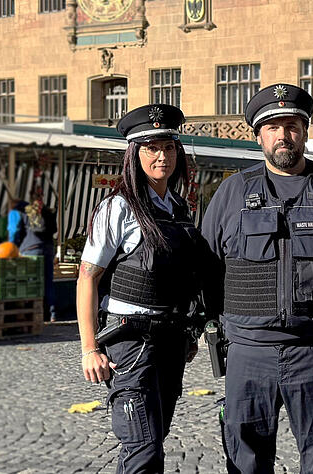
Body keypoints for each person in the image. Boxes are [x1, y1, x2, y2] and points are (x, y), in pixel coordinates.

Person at [200, 83, 313, 473]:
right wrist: (217, 326)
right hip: (248, 352)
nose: (284, 136)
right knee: (245, 459)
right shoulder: (232, 192)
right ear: (258, 135)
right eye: (273, 127)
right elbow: (206, 267)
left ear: (306, 131)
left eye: (293, 126)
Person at [76, 104, 206, 473]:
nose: (161, 156)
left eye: (168, 147)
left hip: (170, 343)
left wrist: (189, 333)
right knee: (143, 447)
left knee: (152, 440)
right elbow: (88, 278)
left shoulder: (178, 208)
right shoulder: (118, 208)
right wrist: (89, 349)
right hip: (132, 345)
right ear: (135, 154)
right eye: (151, 148)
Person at [7, 193, 58, 321]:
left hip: (31, 249)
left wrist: (13, 248)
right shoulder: (48, 211)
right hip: (48, 249)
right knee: (48, 281)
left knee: (32, 282)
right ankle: (52, 313)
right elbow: (54, 230)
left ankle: (34, 313)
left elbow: (16, 232)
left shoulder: (23, 212)